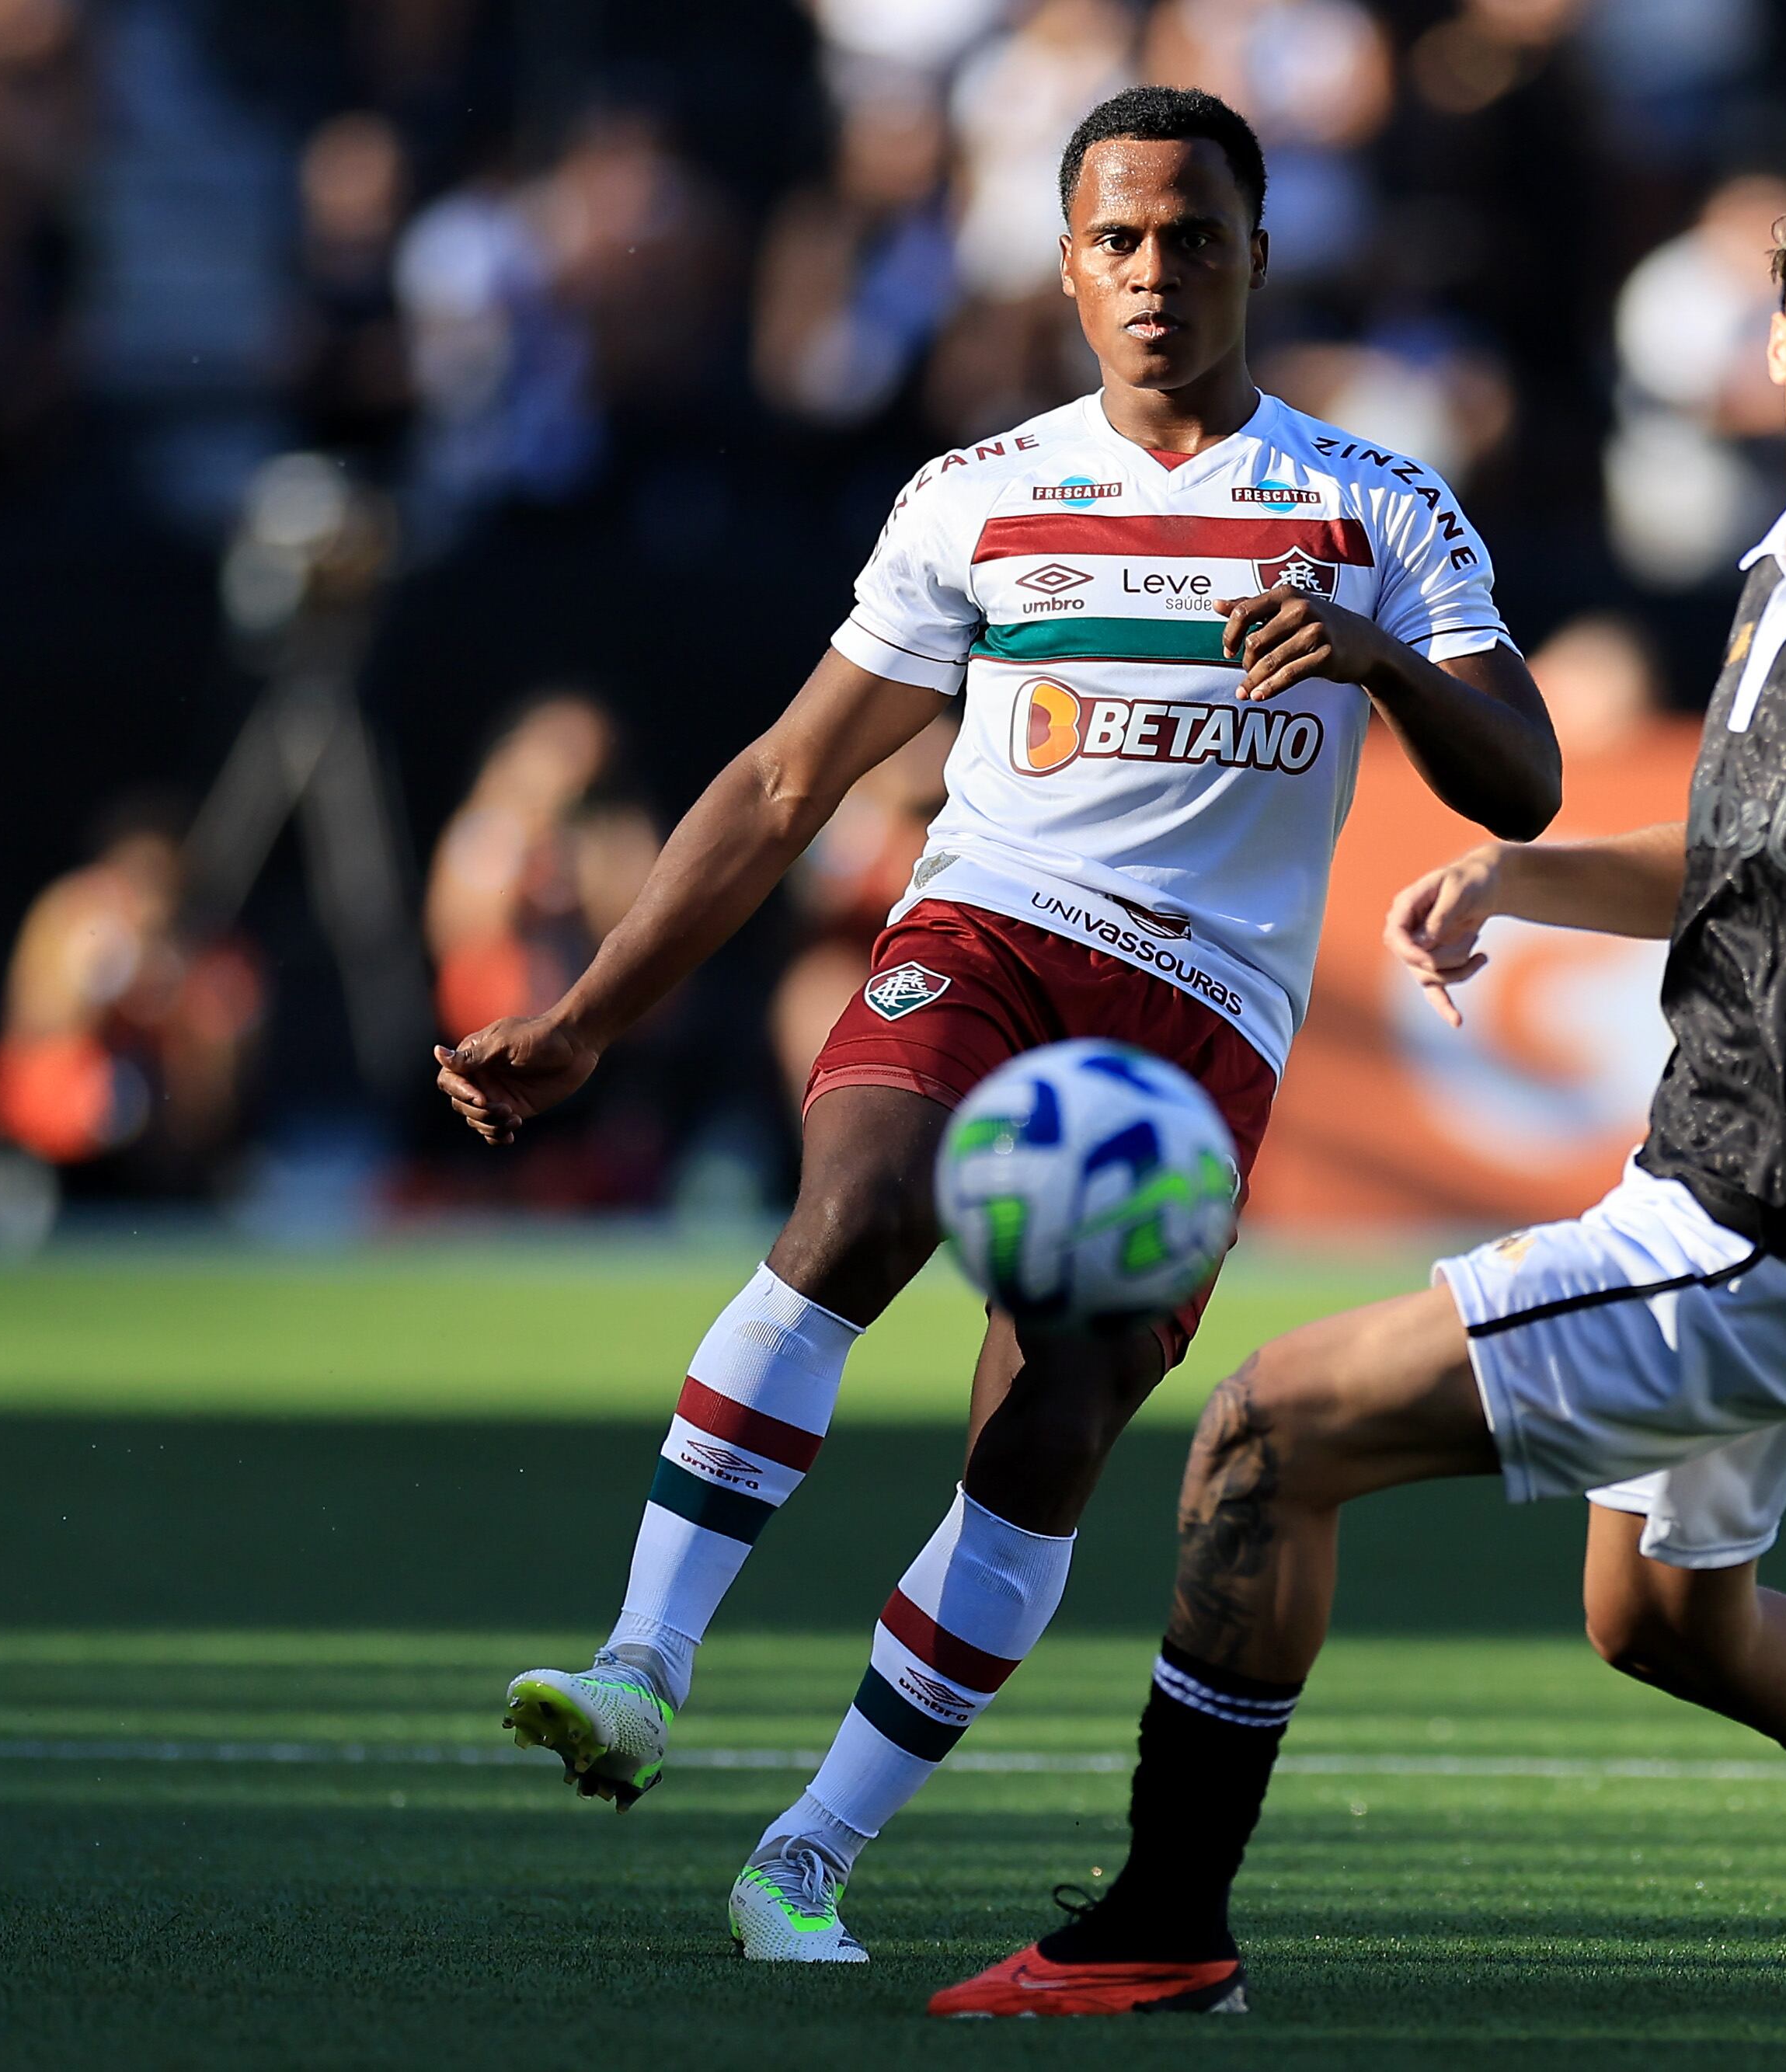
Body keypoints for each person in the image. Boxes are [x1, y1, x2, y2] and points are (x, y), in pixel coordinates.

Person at [931, 161, 1786, 2019]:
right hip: (1747, 1216)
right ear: (1772, 344)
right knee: (1660, 1616)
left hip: (1753, 1235)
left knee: (1259, 1432)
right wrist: (1520, 876)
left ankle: (1163, 1924)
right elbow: (1749, 858)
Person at [431, 85, 1558, 1962]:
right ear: (1064, 266)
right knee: (858, 1204)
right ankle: (640, 1661)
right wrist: (590, 1013)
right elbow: (786, 779)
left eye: (1190, 235)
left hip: (1197, 1022)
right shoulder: (977, 496)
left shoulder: (1376, 504)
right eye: (1118, 238)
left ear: (1257, 255)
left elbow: (1519, 775)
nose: (1154, 270)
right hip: (994, 932)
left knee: (1049, 1431)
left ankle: (809, 1851)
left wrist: (1374, 656)